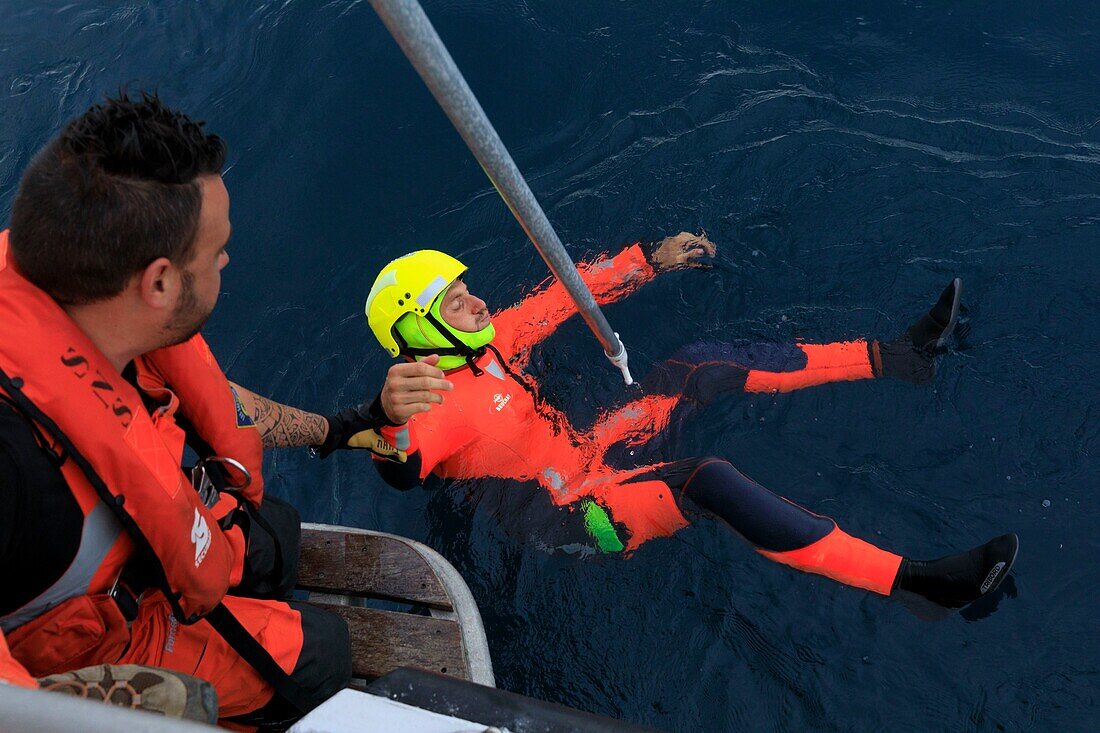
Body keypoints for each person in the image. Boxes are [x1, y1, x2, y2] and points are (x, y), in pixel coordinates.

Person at [0, 93, 413, 728]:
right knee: (324, 656)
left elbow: (219, 402)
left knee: (274, 532)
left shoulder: (80, 298)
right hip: (81, 649)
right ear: (159, 283)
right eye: (216, 248)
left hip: (143, 558)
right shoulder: (12, 475)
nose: (227, 260)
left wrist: (342, 427)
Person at [358, 237, 1018, 612]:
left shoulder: (491, 339)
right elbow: (400, 468)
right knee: (708, 482)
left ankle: (901, 358)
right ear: (418, 326)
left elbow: (563, 294)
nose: (474, 299)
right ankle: (919, 584)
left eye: (465, 286)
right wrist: (387, 424)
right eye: (452, 299)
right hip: (575, 516)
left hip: (594, 452)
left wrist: (651, 258)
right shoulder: (428, 402)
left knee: (700, 364)